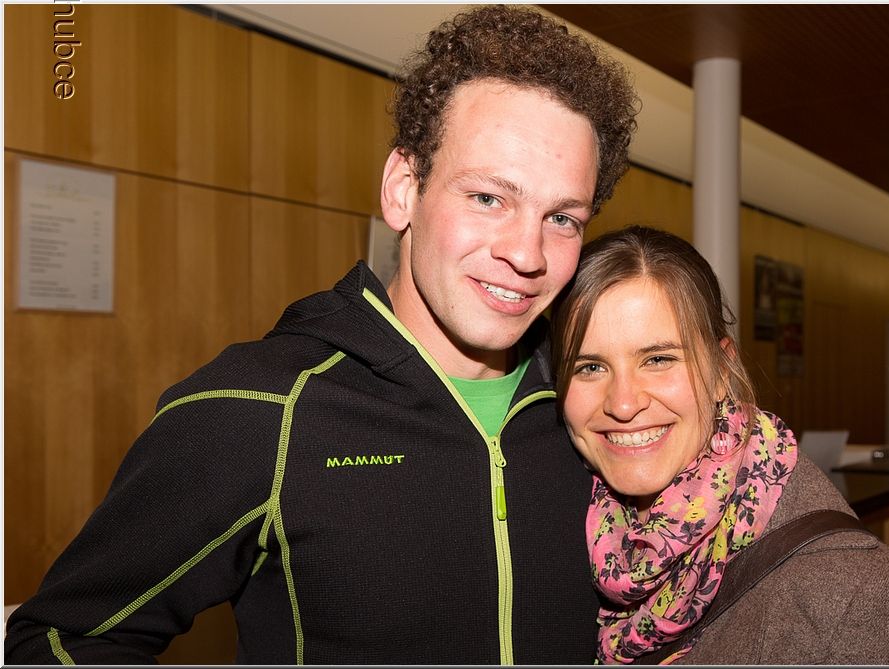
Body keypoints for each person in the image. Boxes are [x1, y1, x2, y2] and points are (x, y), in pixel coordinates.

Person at [4, 6, 638, 664]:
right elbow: (59, 641)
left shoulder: (597, 410)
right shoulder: (260, 408)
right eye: (488, 198)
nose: (527, 253)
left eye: (562, 218)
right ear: (403, 189)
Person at [550, 226, 889, 665]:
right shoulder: (560, 533)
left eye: (659, 359)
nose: (623, 403)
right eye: (590, 367)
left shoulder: (864, 597)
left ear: (723, 370)